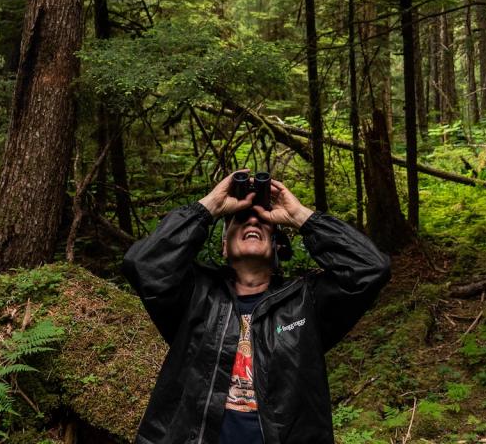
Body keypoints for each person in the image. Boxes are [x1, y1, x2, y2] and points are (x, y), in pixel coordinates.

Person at [122, 171, 391, 444]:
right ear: (224, 246)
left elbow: (370, 268)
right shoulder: (195, 296)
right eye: (239, 219)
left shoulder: (305, 301)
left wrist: (301, 217)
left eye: (263, 220)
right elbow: (143, 265)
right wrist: (208, 208)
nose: (252, 219)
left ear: (275, 247)